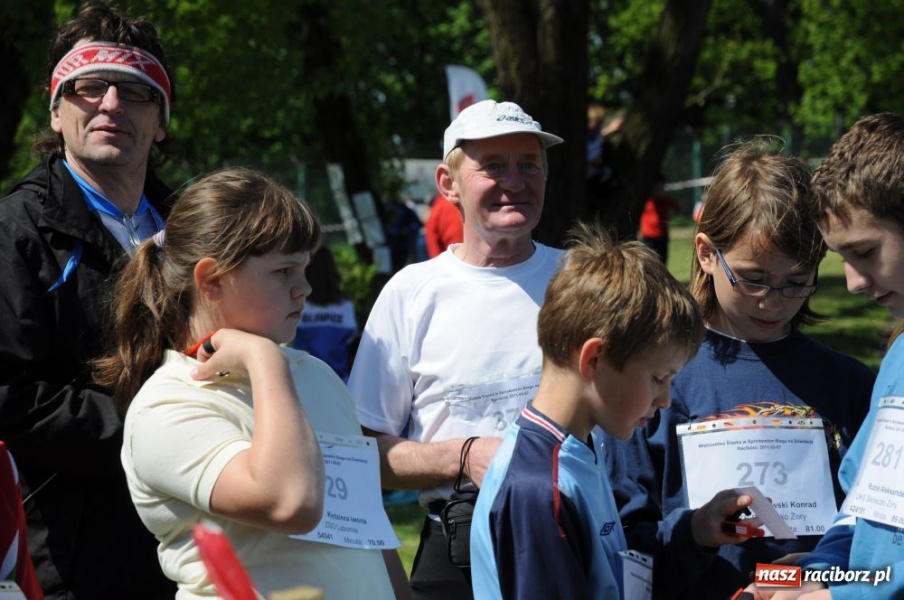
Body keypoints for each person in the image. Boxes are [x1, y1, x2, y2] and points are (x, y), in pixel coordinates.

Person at [93, 167, 404, 599]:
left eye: (306, 268)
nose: (304, 288)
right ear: (212, 281)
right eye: (284, 271)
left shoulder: (314, 374)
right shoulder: (167, 405)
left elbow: (366, 528)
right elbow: (291, 503)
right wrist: (264, 359)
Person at [604, 137, 876, 600]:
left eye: (797, 281)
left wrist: (816, 576)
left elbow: (877, 542)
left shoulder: (849, 385)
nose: (773, 301)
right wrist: (694, 531)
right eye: (753, 278)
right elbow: (622, 542)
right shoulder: (653, 378)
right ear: (707, 254)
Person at [348, 99, 564, 599]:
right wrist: (464, 458)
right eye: (494, 166)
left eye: (530, 165)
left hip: (573, 541)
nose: (515, 181)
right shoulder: (411, 293)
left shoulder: (581, 279)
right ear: (448, 184)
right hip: (456, 551)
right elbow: (362, 453)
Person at [0, 2, 177, 597]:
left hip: (194, 536)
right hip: (70, 555)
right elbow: (8, 394)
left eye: (136, 92)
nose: (111, 104)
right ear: (56, 111)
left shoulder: (199, 230)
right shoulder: (14, 231)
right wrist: (152, 427)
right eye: (89, 86)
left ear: (161, 121)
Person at [470, 222, 705, 599]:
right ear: (594, 359)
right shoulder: (540, 490)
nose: (665, 400)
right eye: (658, 378)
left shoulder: (575, 451)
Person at [746, 113, 904, 599]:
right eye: (843, 259)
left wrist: (838, 597)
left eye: (866, 252)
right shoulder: (899, 356)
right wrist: (813, 574)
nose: (853, 283)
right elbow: (863, 512)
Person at [291, 246, 357, 382]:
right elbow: (350, 339)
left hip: (303, 381)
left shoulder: (298, 305)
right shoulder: (345, 307)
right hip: (339, 381)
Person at [639, 176, 682, 263]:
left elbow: (678, 208)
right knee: (650, 261)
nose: (659, 190)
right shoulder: (645, 201)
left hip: (662, 236)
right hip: (649, 237)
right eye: (657, 188)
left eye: (660, 188)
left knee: (662, 260)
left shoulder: (665, 200)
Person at [424, 193, 464, 258]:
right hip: (473, 255)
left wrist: (436, 259)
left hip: (451, 256)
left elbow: (432, 237)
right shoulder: (469, 200)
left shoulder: (438, 205)